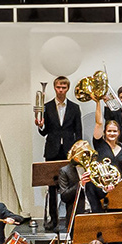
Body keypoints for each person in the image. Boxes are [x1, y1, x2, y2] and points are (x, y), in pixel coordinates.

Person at [38, 76, 82, 226]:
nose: (61, 90)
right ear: (54, 88)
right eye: (58, 87)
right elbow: (44, 132)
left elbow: (79, 132)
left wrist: (78, 152)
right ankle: (53, 219)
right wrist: (40, 125)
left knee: (71, 185)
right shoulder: (47, 106)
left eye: (63, 87)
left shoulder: (75, 108)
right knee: (52, 187)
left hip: (69, 152)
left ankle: (72, 218)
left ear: (67, 89)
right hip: (52, 150)